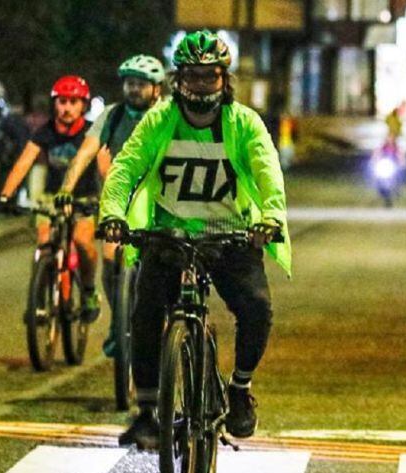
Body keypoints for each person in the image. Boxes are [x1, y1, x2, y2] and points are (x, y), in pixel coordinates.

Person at [98, 30, 291, 449]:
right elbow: (126, 167)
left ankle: (239, 389)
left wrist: (271, 217)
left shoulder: (243, 123)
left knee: (257, 308)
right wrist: (112, 212)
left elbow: (267, 172)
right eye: (192, 76)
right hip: (168, 237)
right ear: (177, 79)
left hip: (230, 239)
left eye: (210, 76)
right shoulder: (159, 119)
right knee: (144, 315)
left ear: (224, 79)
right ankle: (148, 411)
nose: (201, 85)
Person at [57, 54, 166, 356]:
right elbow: (85, 154)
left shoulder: (168, 116)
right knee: (110, 256)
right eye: (130, 83)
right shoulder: (113, 115)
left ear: (157, 89)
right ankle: (119, 323)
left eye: (141, 84)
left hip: (163, 199)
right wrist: (66, 189)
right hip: (121, 198)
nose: (134, 89)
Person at [0, 76, 101, 322]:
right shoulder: (45, 131)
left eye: (73, 102)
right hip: (51, 198)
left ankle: (88, 292)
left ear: (83, 106)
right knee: (44, 244)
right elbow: (24, 161)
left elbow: (105, 167)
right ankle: (40, 302)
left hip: (83, 198)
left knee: (83, 243)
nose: (66, 108)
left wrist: (109, 198)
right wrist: (6, 195)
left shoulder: (91, 132)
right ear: (55, 104)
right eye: (62, 101)